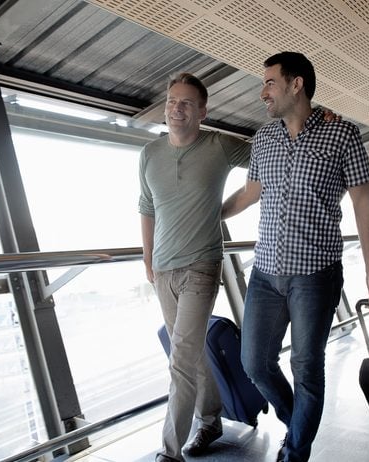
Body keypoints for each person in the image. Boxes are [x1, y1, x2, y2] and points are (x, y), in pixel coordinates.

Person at [221, 51, 369, 462]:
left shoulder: (342, 134)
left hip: (316, 275)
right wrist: (211, 214)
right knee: (254, 363)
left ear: (296, 84)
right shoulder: (264, 139)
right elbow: (250, 193)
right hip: (266, 273)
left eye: (270, 83)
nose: (263, 92)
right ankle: (298, 423)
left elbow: (363, 205)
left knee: (306, 367)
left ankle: (294, 454)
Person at [138, 73, 251, 462]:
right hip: (163, 269)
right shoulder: (150, 154)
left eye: (186, 102)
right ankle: (210, 420)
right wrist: (147, 258)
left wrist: (230, 206)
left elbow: (269, 156)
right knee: (188, 351)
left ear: (202, 111)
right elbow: (147, 207)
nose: (177, 108)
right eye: (172, 100)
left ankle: (170, 452)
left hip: (202, 265)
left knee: (181, 358)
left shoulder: (219, 146)